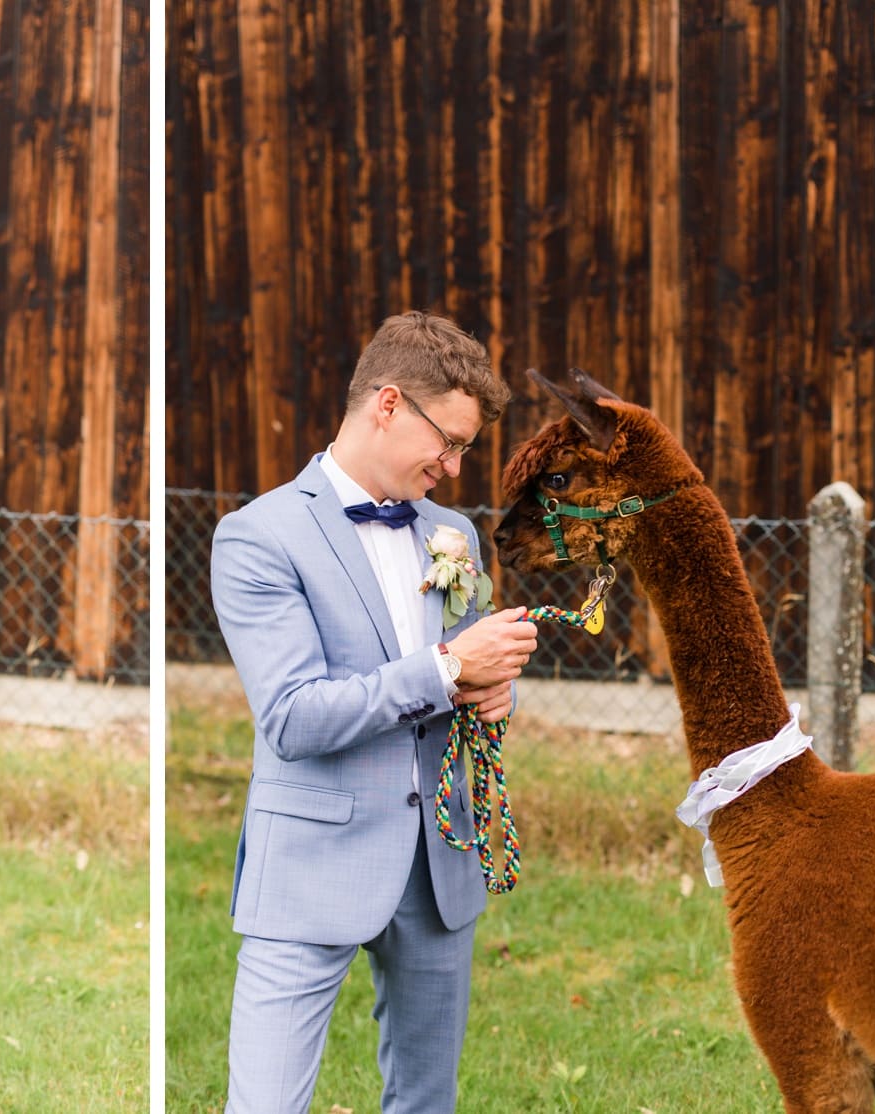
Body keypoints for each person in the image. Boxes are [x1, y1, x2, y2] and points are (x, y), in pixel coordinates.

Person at [210, 311, 540, 1113]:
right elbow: (291, 717)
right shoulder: (259, 537)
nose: (455, 468)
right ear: (388, 404)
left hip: (438, 866)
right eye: (450, 443)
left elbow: (463, 682)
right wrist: (449, 667)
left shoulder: (451, 533)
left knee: (427, 1100)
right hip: (311, 862)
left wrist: (495, 692)